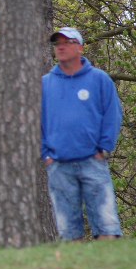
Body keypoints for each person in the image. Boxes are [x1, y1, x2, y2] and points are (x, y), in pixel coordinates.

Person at [41, 27, 122, 241]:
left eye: (67, 42)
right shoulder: (45, 84)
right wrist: (45, 155)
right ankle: (74, 263)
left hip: (93, 162)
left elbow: (112, 115)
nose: (61, 47)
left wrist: (104, 149)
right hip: (58, 165)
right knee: (68, 231)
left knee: (106, 225)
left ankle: (108, 262)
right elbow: (35, 123)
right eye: (57, 43)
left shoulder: (99, 79)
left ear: (80, 48)